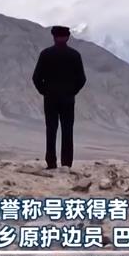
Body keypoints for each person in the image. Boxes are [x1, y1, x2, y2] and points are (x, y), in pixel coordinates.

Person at [32, 26, 87, 169]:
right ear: (68, 37)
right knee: (67, 130)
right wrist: (72, 91)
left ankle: (51, 163)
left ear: (54, 37)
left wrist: (44, 91)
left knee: (51, 129)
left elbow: (36, 77)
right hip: (68, 99)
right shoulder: (74, 55)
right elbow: (82, 79)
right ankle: (66, 164)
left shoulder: (46, 54)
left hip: (50, 98)